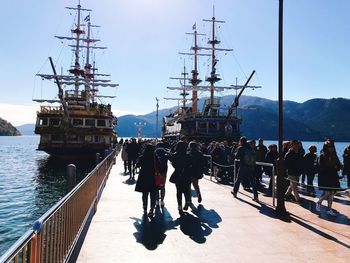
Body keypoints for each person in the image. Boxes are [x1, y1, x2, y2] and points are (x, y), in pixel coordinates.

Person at [316, 140, 341, 216]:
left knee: (332, 194)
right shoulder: (322, 156)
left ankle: (329, 209)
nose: (331, 148)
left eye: (332, 147)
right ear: (326, 148)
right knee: (327, 193)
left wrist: (335, 167)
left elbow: (339, 166)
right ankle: (319, 202)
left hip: (333, 177)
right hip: (325, 177)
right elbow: (322, 168)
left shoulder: (335, 156)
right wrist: (333, 167)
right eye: (329, 147)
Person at [231, 136, 259, 202]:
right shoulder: (250, 148)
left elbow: (237, 157)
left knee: (238, 180)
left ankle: (235, 192)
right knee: (253, 182)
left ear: (241, 141)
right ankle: (256, 197)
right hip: (251, 167)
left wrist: (235, 152)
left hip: (243, 166)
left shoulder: (241, 148)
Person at [135, 144, 158, 218]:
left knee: (145, 194)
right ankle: (152, 209)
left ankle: (145, 208)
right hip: (153, 177)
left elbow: (138, 165)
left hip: (144, 177)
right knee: (153, 194)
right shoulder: (155, 157)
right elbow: (159, 166)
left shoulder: (143, 157)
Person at [169, 141, 191, 213]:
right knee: (186, 189)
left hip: (178, 174)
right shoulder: (188, 155)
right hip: (187, 174)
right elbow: (190, 165)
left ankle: (179, 206)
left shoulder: (175, 155)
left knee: (179, 191)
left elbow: (173, 164)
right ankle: (187, 201)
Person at [154, 142, 171, 207]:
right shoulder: (165, 151)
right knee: (163, 186)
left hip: (156, 172)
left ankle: (157, 201)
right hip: (164, 171)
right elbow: (171, 158)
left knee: (156, 187)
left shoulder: (155, 152)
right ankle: (162, 201)